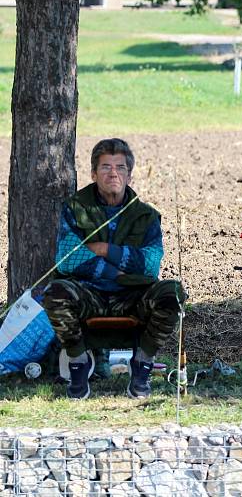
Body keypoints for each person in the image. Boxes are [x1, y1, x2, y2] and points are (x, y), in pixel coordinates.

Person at [42, 138, 186, 400]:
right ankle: (78, 363)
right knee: (55, 292)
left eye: (120, 167)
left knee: (172, 293)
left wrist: (105, 250)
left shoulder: (146, 216)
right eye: (105, 167)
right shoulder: (75, 208)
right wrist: (114, 273)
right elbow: (68, 258)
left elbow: (150, 266)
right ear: (94, 173)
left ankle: (142, 366)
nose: (113, 173)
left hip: (131, 296)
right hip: (89, 293)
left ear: (129, 175)